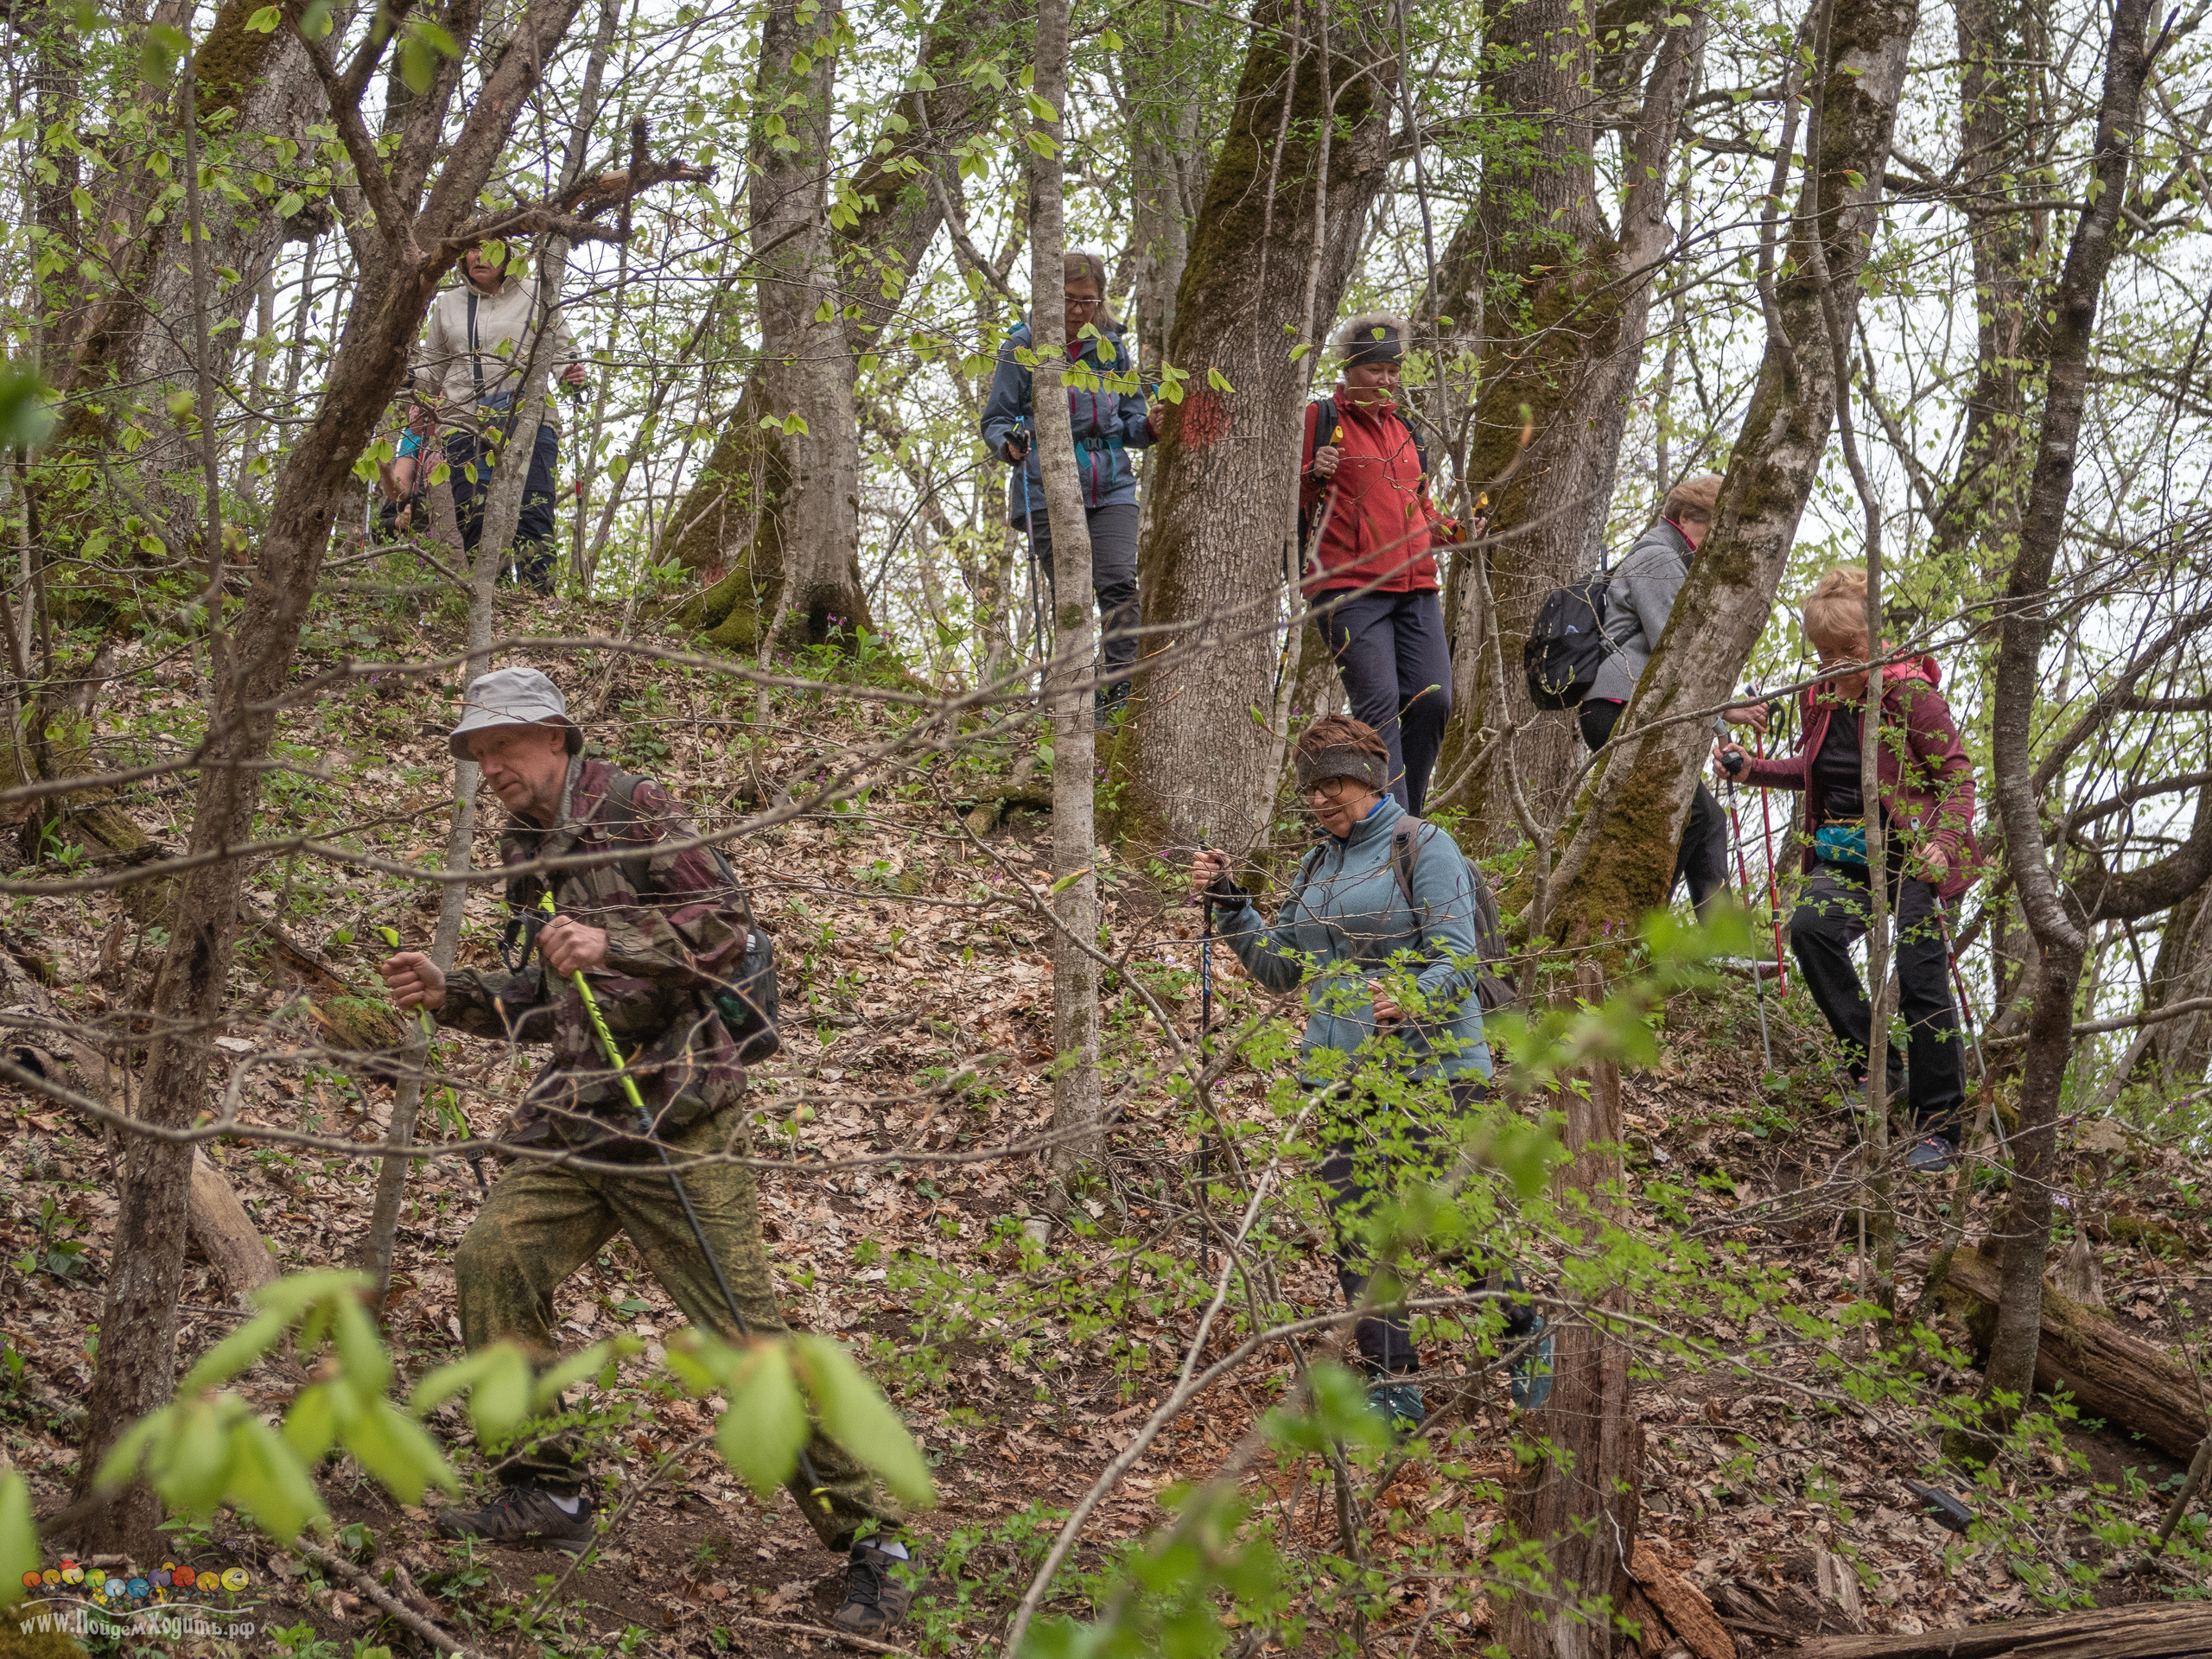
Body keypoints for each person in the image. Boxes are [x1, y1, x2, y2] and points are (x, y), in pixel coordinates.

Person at [377, 668, 924, 1637]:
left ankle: (872, 1537)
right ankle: (545, 1490)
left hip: (676, 1112)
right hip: (580, 1117)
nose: (489, 766)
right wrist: (449, 992)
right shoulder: (521, 847)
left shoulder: (637, 808)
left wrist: (611, 936)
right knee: (491, 1263)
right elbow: (545, 999)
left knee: (746, 1339)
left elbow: (726, 927)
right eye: (476, 753)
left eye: (502, 746)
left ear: (555, 737)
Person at [1188, 715, 1548, 1429]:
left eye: (1333, 785)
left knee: (1444, 1222)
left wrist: (1411, 995)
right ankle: (1394, 1381)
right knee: (1357, 1227)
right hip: (1339, 1072)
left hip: (1434, 1069)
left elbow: (1459, 956)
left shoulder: (1426, 845)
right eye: (1311, 788)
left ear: (1370, 777)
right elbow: (1281, 968)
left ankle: (1526, 1336)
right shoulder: (1316, 866)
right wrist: (1233, 905)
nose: (1319, 801)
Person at [1716, 567, 1981, 1173]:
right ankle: (1876, 1066)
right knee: (1810, 930)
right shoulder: (1819, 698)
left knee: (1922, 983)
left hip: (1914, 860)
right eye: (1824, 653)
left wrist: (1942, 844)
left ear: (1879, 641)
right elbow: (1812, 772)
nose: (1835, 664)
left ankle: (1940, 1125)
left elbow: (1958, 778)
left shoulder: (1910, 694)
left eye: (1849, 651)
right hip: (1845, 857)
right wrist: (1751, 768)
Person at [979, 251, 1160, 723]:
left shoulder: (1111, 349)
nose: (1079, 311)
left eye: (1089, 301)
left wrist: (1153, 427)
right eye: (1069, 300)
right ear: (1047, 295)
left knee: (1118, 583)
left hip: (1113, 484)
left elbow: (1131, 419)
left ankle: (1118, 700)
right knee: (1073, 599)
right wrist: (1008, 443)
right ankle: (1069, 704)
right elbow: (996, 418)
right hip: (1047, 485)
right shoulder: (1022, 346)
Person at [1584, 474, 1772, 916]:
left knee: (1698, 820)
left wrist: (1721, 724)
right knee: (1697, 819)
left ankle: (1660, 937)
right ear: (1687, 518)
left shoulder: (1663, 558)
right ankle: (1637, 932)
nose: (1715, 546)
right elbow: (1677, 655)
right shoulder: (1658, 559)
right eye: (1713, 531)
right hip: (1618, 706)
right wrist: (1725, 713)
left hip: (1624, 708)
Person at [1300, 316, 1465, 817]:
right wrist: (1312, 473)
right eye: (1375, 369)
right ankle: (1389, 832)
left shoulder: (1406, 430)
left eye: (1393, 370)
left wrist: (1459, 531)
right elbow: (1294, 499)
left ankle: (1406, 819)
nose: (1387, 380)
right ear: (1350, 369)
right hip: (1350, 587)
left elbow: (1421, 510)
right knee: (1381, 707)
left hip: (1415, 585)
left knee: (1434, 700)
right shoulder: (1322, 417)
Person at [414, 243, 588, 594]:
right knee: (474, 515)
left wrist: (570, 373)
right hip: (464, 420)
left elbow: (561, 350)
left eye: (488, 249)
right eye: (471, 249)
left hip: (527, 418)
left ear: (507, 255)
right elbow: (430, 368)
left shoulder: (535, 292)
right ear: (461, 257)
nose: (478, 256)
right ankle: (496, 604)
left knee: (533, 512)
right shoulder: (448, 304)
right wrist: (414, 393)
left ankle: (542, 603)